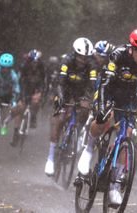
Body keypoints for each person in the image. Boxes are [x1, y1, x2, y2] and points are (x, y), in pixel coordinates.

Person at [75, 28, 137, 205]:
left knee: (127, 134)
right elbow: (105, 84)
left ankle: (115, 185)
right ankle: (89, 148)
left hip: (129, 96)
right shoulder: (118, 54)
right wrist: (101, 108)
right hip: (109, 90)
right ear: (131, 48)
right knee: (105, 119)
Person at [44, 37, 97, 176]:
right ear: (74, 53)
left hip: (81, 92)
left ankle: (76, 132)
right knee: (59, 119)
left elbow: (92, 85)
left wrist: (87, 99)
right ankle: (50, 157)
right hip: (64, 90)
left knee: (85, 111)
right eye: (80, 56)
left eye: (85, 57)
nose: (82, 60)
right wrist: (60, 97)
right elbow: (60, 82)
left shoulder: (91, 65)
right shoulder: (66, 60)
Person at [19, 49, 46, 129]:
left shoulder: (41, 66)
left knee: (36, 102)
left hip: (37, 85)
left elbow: (43, 80)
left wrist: (41, 92)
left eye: (36, 62)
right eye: (32, 62)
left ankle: (33, 117)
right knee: (22, 102)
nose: (34, 64)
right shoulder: (24, 65)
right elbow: (21, 79)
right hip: (26, 85)